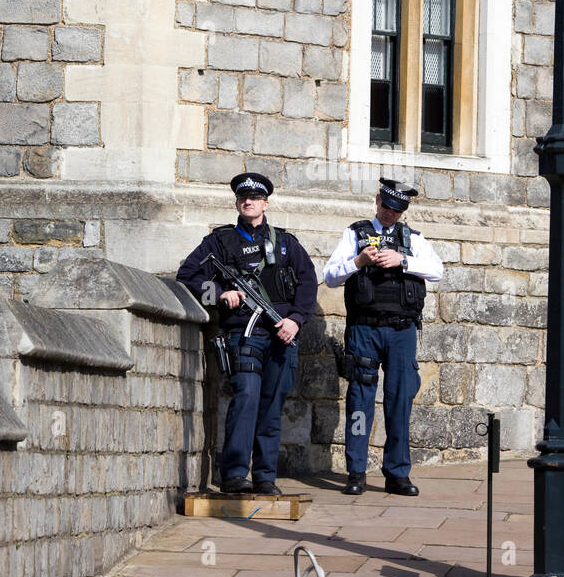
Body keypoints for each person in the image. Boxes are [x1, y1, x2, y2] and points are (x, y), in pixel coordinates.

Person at [177, 172, 318, 496]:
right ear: (238, 202)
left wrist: (295, 320)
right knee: (246, 400)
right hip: (243, 334)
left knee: (271, 405)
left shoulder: (286, 243)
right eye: (243, 197)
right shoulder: (220, 241)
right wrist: (220, 294)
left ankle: (265, 477)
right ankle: (235, 475)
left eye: (255, 197)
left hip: (281, 335)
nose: (248, 201)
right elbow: (188, 275)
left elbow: (308, 283)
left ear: (265, 203)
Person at [323, 178, 443, 496]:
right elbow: (331, 276)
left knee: (399, 400)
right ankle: (357, 472)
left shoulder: (412, 239)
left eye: (398, 210)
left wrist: (403, 261)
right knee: (360, 402)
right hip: (364, 328)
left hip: (402, 330)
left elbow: (438, 270)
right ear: (377, 201)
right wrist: (359, 261)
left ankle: (397, 473)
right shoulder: (355, 233)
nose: (391, 214)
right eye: (387, 206)